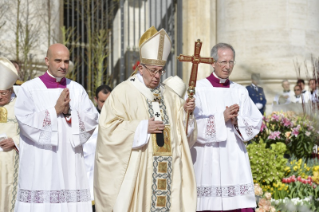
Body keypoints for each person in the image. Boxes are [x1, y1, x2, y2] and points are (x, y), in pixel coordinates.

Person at [94, 26, 197, 212]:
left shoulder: (170, 95)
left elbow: (182, 131)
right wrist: (141, 127)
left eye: (161, 71)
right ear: (140, 68)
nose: (157, 76)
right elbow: (108, 129)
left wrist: (187, 114)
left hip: (169, 169)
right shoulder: (123, 92)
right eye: (153, 71)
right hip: (141, 171)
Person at [14, 43, 98, 212]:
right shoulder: (29, 89)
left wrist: (69, 114)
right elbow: (25, 121)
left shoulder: (76, 89)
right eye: (58, 60)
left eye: (66, 61)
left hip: (69, 158)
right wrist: (55, 111)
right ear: (47, 61)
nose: (63, 66)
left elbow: (92, 118)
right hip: (41, 158)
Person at [190, 43, 263, 212]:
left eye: (231, 62)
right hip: (209, 156)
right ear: (213, 62)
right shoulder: (198, 89)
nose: (227, 66)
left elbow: (255, 121)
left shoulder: (240, 91)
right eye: (223, 62)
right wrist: (221, 118)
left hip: (233, 154)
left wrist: (237, 121)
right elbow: (190, 125)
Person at [83, 85, 112, 212]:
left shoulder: (119, 118)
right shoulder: (89, 118)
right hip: (90, 167)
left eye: (109, 101)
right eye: (102, 101)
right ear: (95, 99)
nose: (106, 105)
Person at [0, 57, 20, 212]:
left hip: (12, 160)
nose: (0, 96)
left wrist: (15, 141)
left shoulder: (20, 106)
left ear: (11, 90)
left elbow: (32, 133)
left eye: (3, 93)